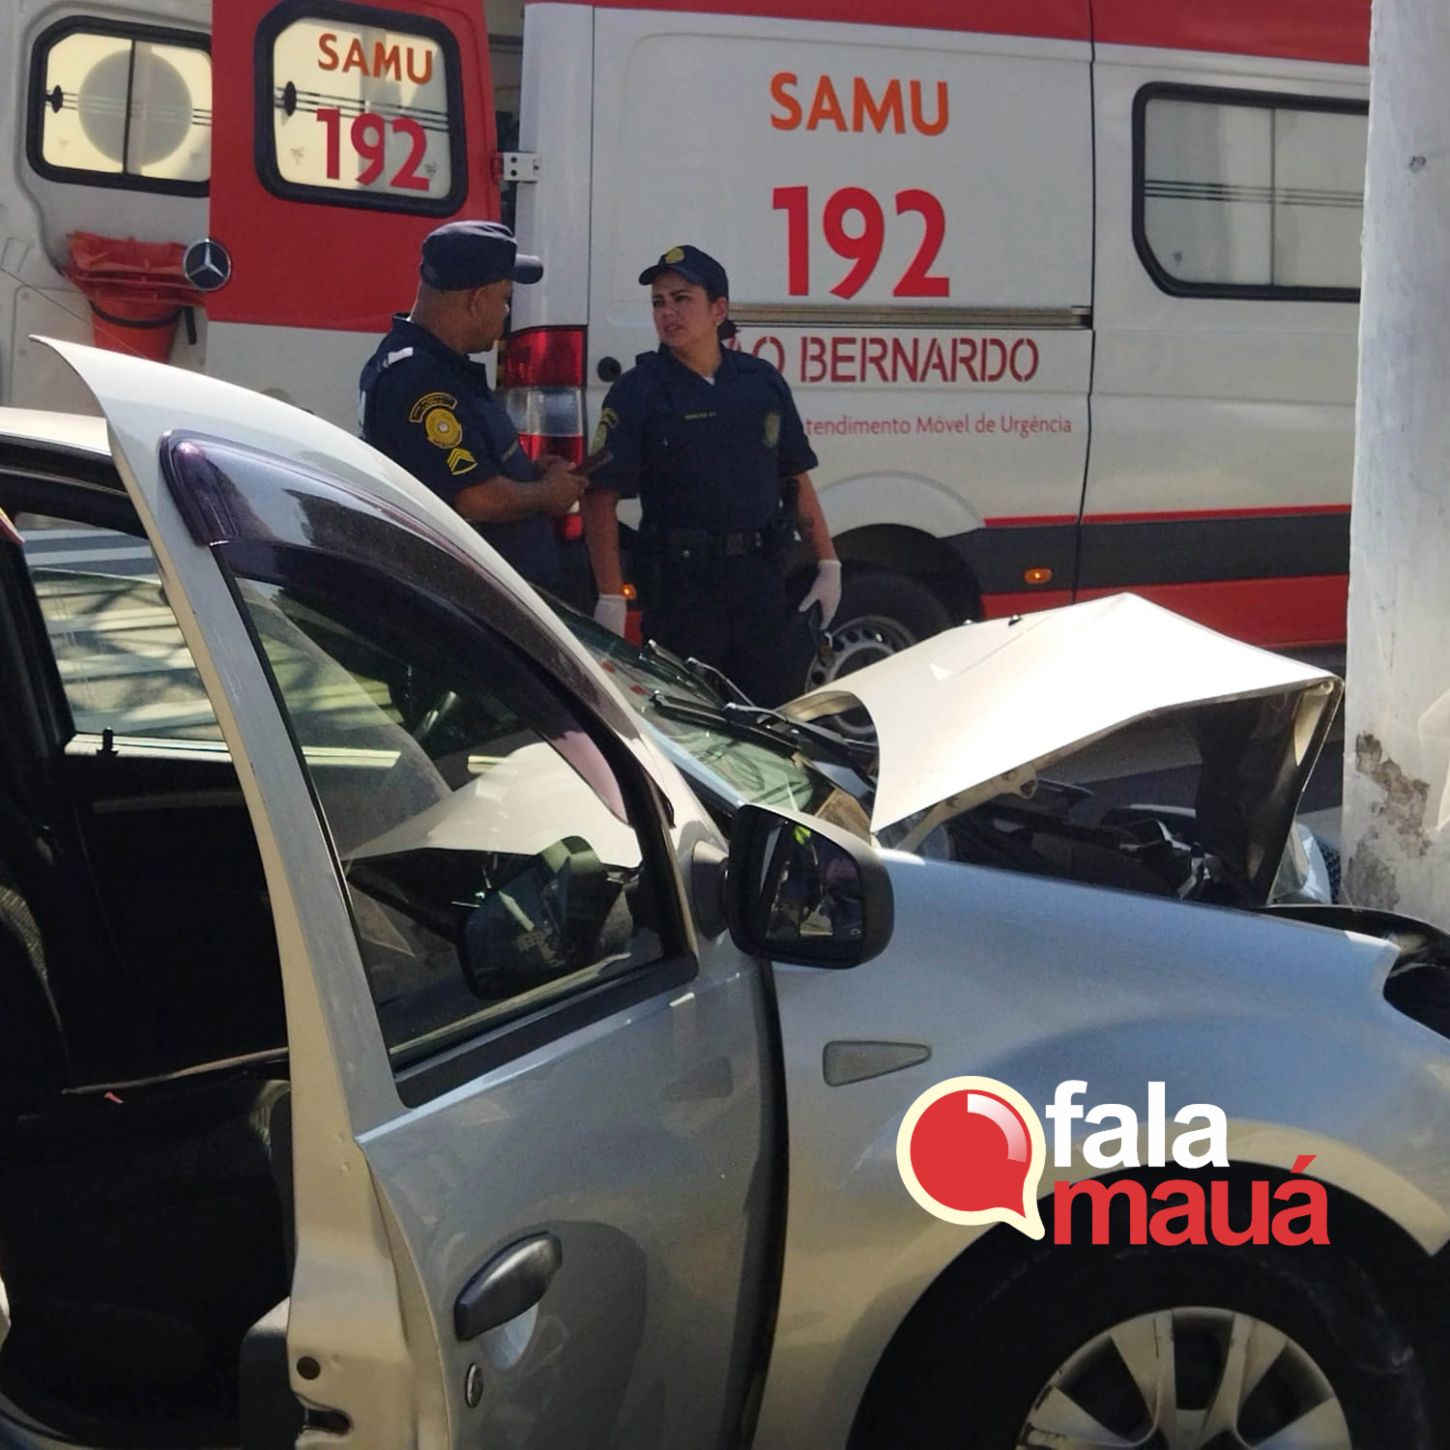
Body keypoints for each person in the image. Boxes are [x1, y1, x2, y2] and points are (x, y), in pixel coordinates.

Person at [582, 245, 840, 705]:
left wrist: (828, 562)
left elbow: (794, 476)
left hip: (758, 583)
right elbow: (599, 496)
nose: (668, 313)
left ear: (719, 309)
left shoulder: (759, 382)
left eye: (682, 299)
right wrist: (610, 597)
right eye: (659, 303)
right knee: (688, 723)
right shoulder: (638, 390)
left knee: (767, 716)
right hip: (683, 590)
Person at [359, 220, 584, 588]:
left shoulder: (431, 366)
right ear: (477, 301)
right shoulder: (421, 381)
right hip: (462, 596)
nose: (506, 311)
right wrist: (548, 494)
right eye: (505, 297)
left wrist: (527, 472)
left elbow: (461, 468)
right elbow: (476, 498)